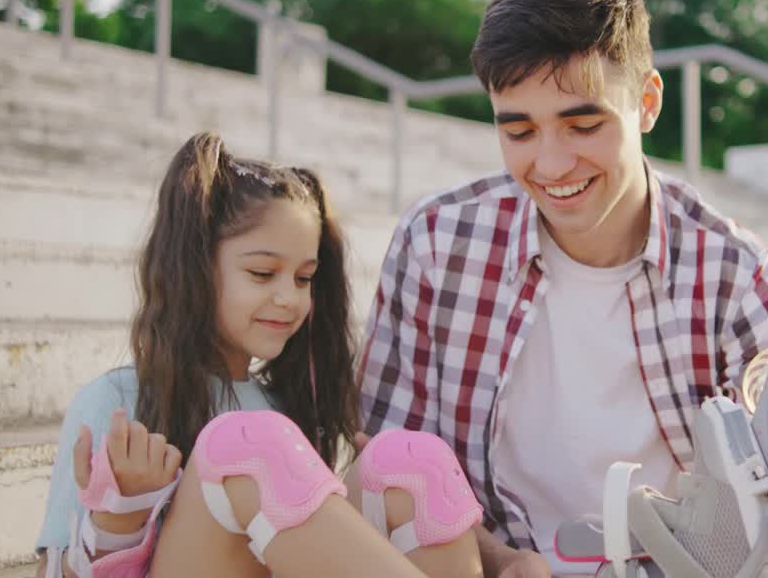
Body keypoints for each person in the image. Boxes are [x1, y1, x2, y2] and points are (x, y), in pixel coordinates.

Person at [356, 0, 768, 578]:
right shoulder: (436, 244)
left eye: (584, 125)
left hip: (686, 565)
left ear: (647, 103)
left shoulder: (736, 278)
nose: (552, 164)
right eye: (520, 130)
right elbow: (389, 462)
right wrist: (504, 563)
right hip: (498, 559)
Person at [35, 132, 484, 578]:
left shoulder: (283, 407)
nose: (289, 297)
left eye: (304, 278)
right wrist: (121, 517)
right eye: (262, 273)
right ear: (195, 268)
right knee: (247, 444)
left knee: (410, 461)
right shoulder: (115, 401)